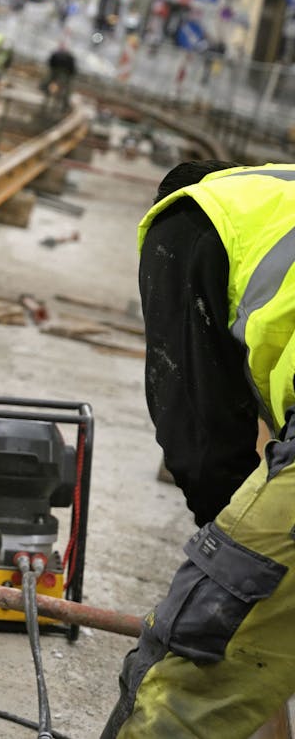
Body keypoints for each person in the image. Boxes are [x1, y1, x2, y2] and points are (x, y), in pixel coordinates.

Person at [102, 160, 295, 738]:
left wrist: (230, 572)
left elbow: (199, 431)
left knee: (189, 674)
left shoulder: (193, 217)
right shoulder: (279, 198)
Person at [42, 43, 76, 112]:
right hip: (60, 74)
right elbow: (72, 69)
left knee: (59, 88)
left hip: (60, 74)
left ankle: (56, 103)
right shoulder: (66, 56)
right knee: (57, 88)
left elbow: (51, 62)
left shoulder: (59, 55)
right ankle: (55, 102)